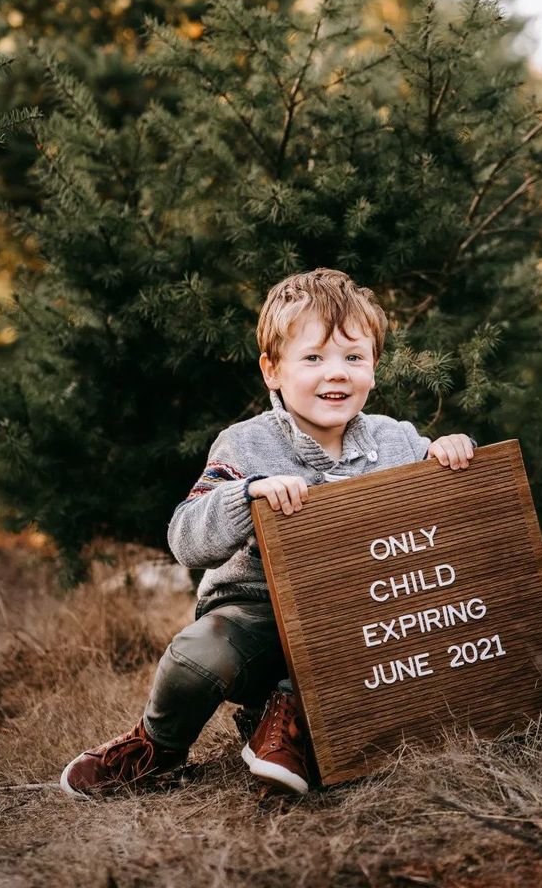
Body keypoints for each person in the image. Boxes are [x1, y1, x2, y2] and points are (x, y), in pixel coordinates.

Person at [60, 268, 476, 799]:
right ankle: (158, 746)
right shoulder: (244, 446)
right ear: (272, 370)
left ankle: (290, 721)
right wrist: (247, 496)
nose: (338, 373)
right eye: (314, 358)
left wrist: (447, 453)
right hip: (257, 620)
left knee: (352, 636)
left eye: (354, 357)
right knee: (198, 655)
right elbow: (186, 538)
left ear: (374, 367)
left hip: (358, 624)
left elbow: (447, 521)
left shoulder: (397, 441)